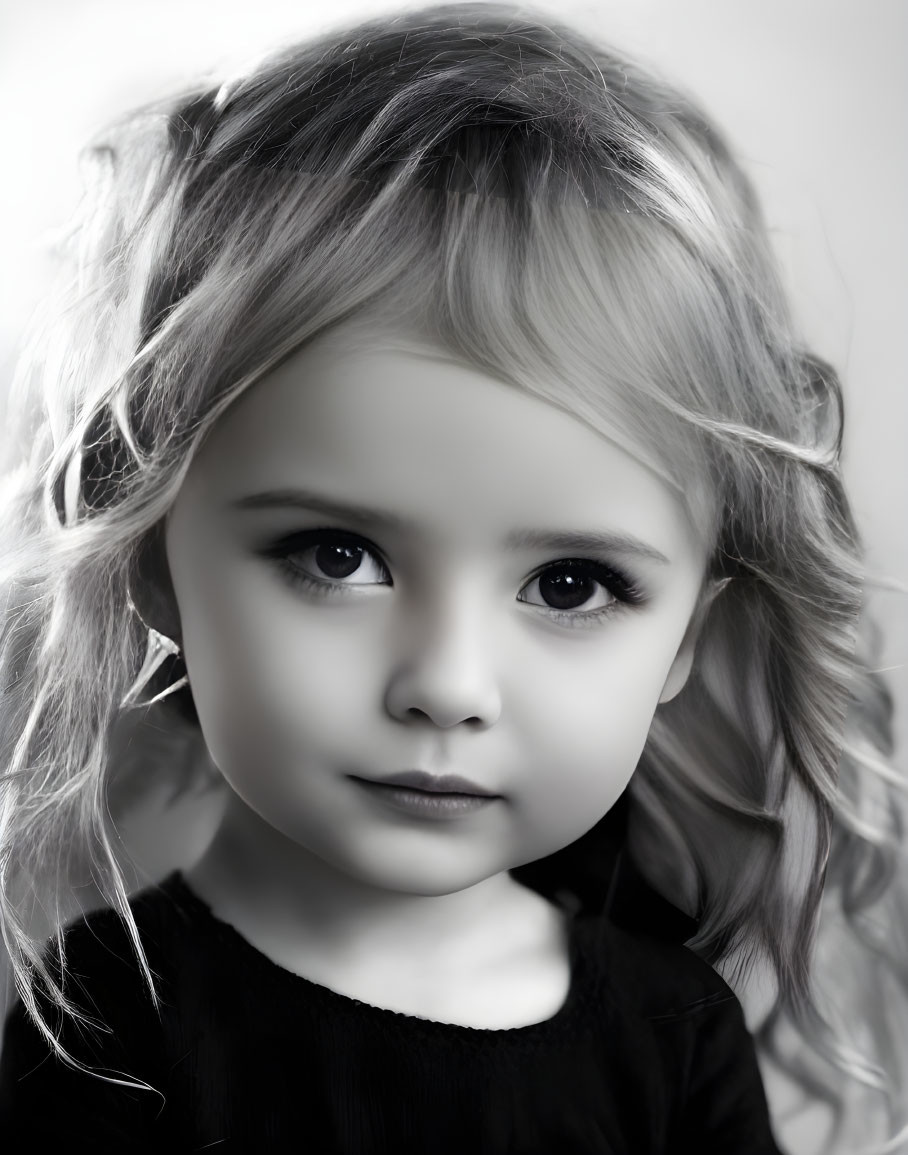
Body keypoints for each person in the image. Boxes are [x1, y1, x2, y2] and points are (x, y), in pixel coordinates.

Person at [0, 2, 904, 1151]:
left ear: (680, 636)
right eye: (336, 557)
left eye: (571, 586)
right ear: (153, 568)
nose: (447, 684)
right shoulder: (103, 1023)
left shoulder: (672, 1036)